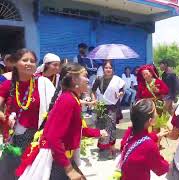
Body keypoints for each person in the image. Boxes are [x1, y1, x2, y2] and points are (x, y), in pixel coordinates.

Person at [16, 63, 107, 180]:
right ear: (74, 80)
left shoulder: (72, 98)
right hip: (58, 161)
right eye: (85, 75)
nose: (88, 80)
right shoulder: (68, 100)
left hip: (63, 158)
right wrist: (69, 169)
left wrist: (98, 133)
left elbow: (77, 129)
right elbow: (53, 137)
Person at [0, 49, 56, 179]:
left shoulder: (43, 83)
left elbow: (58, 107)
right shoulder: (8, 84)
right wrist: (3, 116)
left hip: (38, 136)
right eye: (25, 60)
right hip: (15, 137)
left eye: (32, 61)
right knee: (12, 170)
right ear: (15, 63)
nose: (29, 63)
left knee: (34, 171)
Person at [118, 99, 169, 180]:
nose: (157, 114)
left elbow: (138, 140)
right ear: (150, 121)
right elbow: (160, 170)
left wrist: (156, 136)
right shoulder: (149, 145)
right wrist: (170, 164)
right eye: (155, 112)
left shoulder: (130, 132)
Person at [92, 60, 125, 154]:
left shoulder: (117, 79)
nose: (108, 69)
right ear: (103, 69)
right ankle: (102, 145)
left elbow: (122, 90)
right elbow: (93, 90)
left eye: (110, 68)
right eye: (106, 68)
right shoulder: (99, 79)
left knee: (111, 126)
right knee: (101, 125)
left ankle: (112, 147)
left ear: (113, 69)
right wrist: (94, 100)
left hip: (113, 106)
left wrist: (120, 94)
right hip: (102, 106)